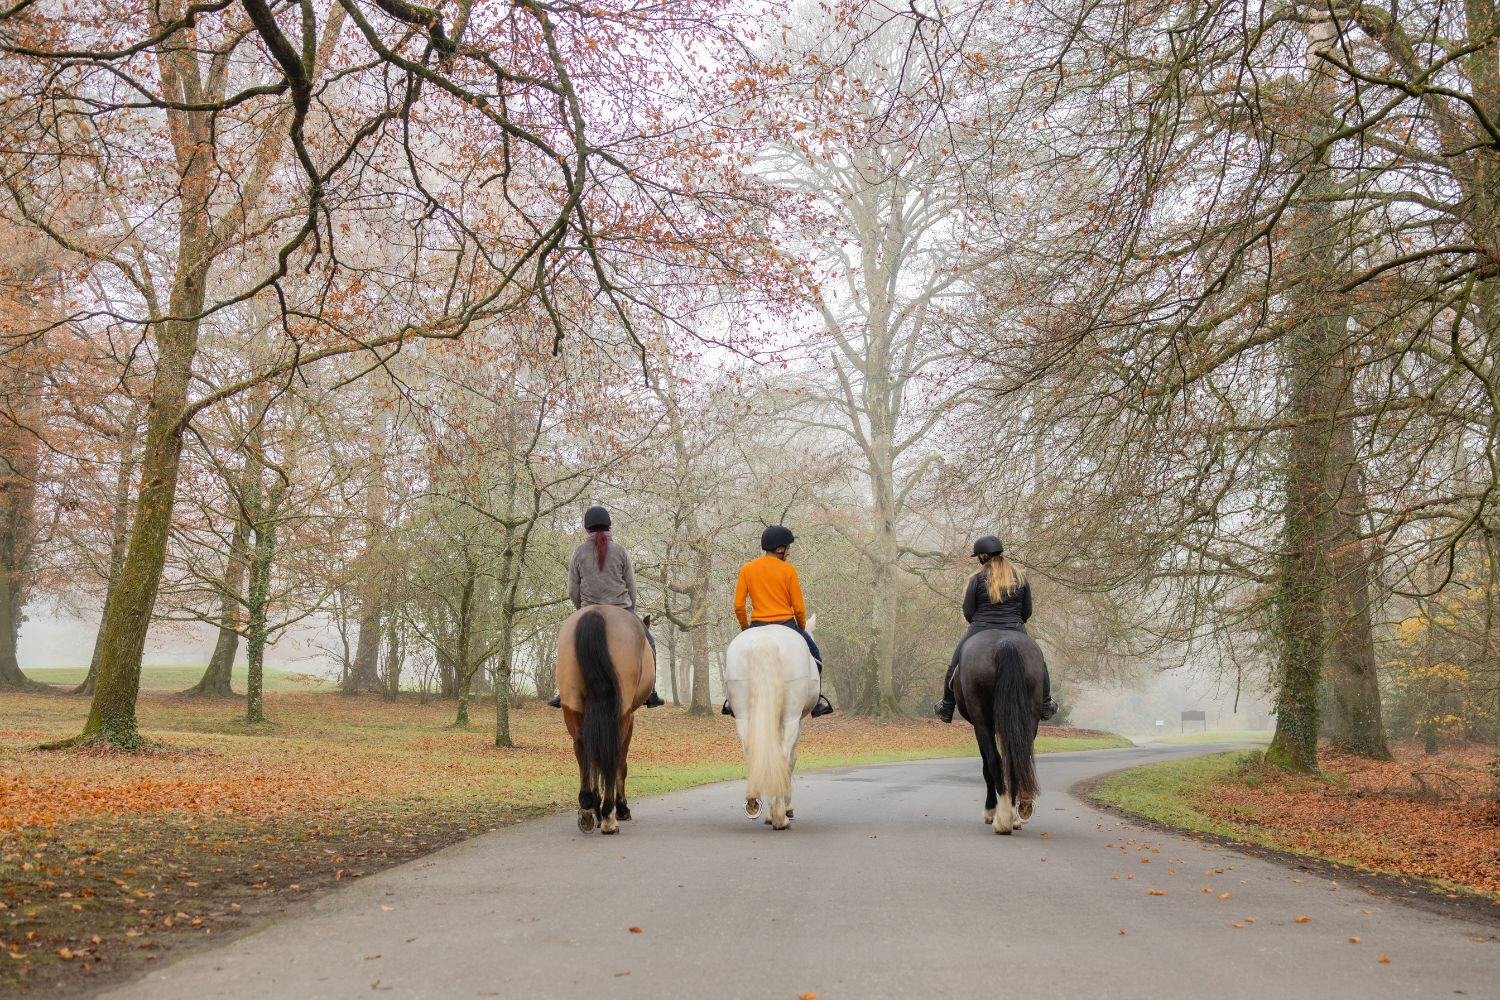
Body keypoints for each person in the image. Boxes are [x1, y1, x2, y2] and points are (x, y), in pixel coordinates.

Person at [548, 506, 664, 709]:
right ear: (609, 526)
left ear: (587, 529)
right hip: (622, 608)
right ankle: (651, 692)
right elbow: (631, 586)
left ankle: (563, 691)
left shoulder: (578, 553)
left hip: (587, 608)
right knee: (650, 642)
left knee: (566, 645)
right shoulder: (620, 551)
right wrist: (630, 613)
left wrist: (581, 610)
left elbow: (572, 589)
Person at [933, 535, 1057, 723]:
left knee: (956, 661)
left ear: (983, 556)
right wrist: (1015, 623)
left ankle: (947, 706)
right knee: (1039, 661)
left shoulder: (976, 578)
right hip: (1015, 626)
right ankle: (1046, 703)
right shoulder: (1020, 577)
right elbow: (1027, 610)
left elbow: (968, 611)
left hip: (980, 627)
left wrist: (978, 623)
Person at [724, 525, 834, 718]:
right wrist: (801, 629)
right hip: (786, 624)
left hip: (757, 624)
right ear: (779, 549)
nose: (789, 552)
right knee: (815, 656)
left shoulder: (747, 569)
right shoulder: (788, 570)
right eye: (788, 547)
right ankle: (817, 701)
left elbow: (738, 606)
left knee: (734, 659)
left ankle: (731, 701)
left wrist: (745, 628)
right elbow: (799, 608)